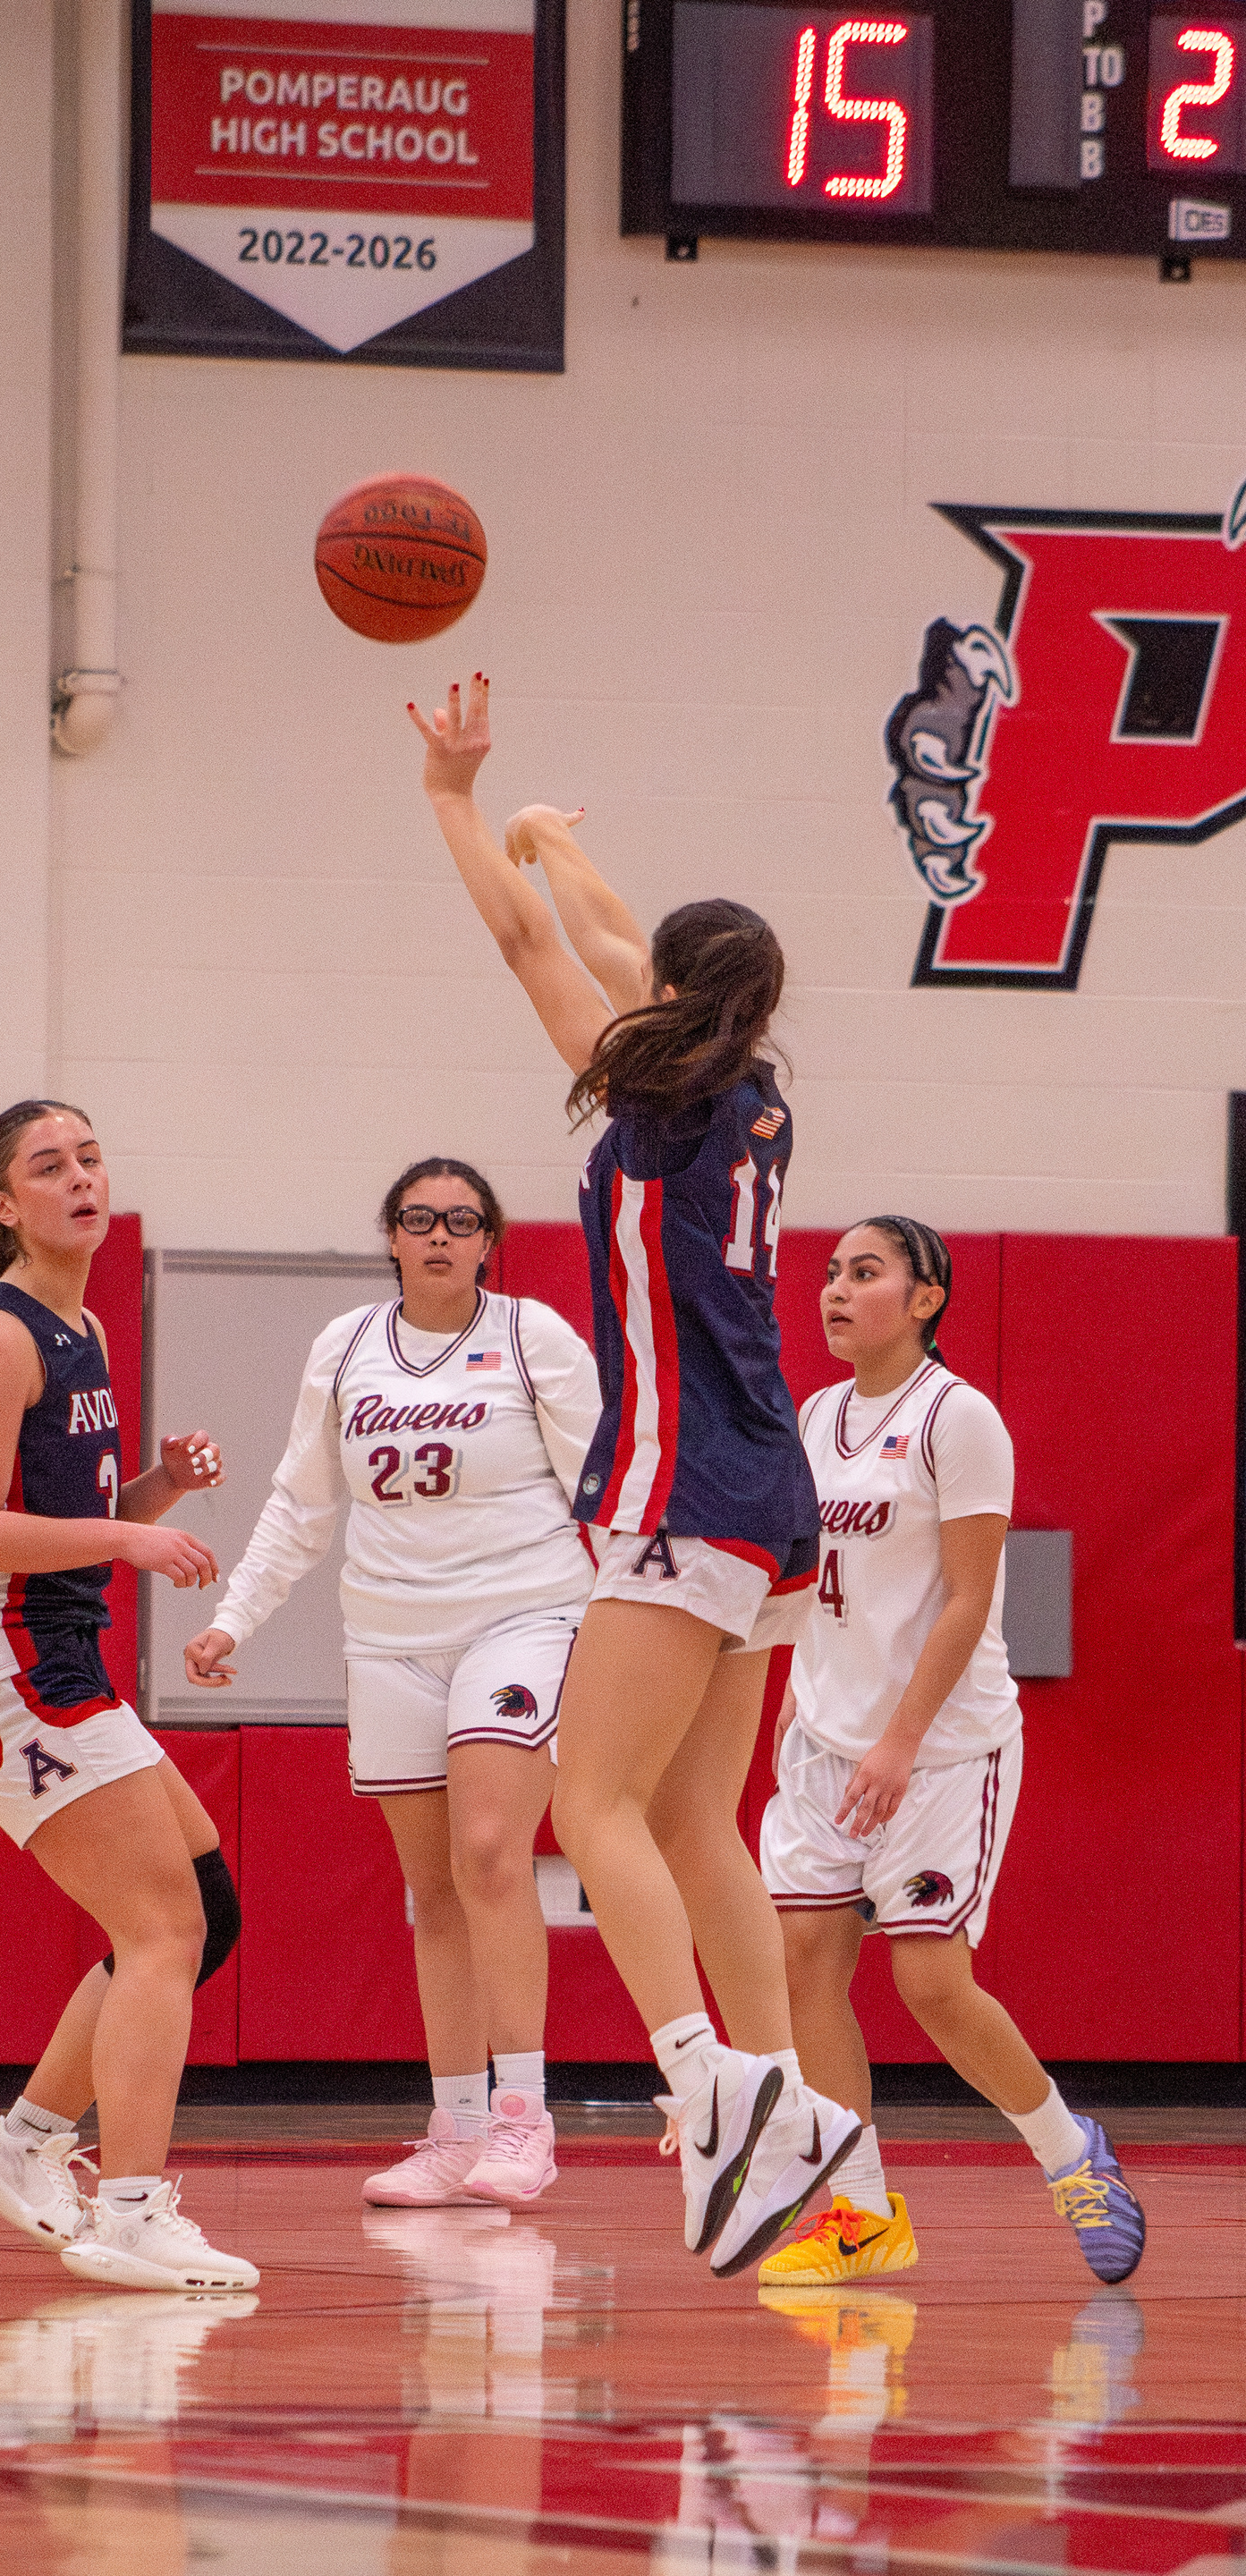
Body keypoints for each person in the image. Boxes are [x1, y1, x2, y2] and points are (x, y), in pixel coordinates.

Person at [409, 675, 860, 2280]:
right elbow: (614, 944)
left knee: (587, 1806)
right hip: (773, 1493)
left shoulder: (657, 1096)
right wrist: (550, 831)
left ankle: (705, 2086)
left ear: (677, 995)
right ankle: (791, 2102)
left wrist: (460, 803)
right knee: (691, 1819)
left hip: (686, 1486)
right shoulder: (749, 1090)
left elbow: (540, 946)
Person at [186, 1157, 602, 2208]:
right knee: (434, 1888)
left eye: (461, 1220)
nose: (439, 1236)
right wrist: (234, 1616)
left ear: (489, 1240)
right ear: (391, 1235)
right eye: (420, 1218)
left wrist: (640, 1626)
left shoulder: (535, 1338)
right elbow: (301, 1503)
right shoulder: (346, 1347)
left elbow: (606, 1488)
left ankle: (525, 2119)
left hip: (523, 1618)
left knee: (492, 1851)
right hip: (389, 1636)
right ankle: (456, 2130)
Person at [756, 1217, 1146, 2287]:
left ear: (926, 1298)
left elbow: (972, 1598)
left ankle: (1070, 2153)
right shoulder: (816, 1415)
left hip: (941, 1749)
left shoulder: (958, 1417)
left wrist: (900, 1740)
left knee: (930, 1979)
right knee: (802, 1964)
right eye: (831, 1274)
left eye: (865, 1273)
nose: (836, 1291)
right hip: (824, 1742)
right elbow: (809, 1584)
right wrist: (792, 1702)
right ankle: (860, 2213)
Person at [0, 1098, 257, 2294]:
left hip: (66, 1655)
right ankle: (128, 2212)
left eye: (91, 1158)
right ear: (4, 1204)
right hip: (4, 1665)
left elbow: (72, 1517)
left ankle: (22, 2145)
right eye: (49, 1166)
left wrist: (156, 1489)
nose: (80, 1179)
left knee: (203, 1910)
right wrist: (128, 1538)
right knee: (164, 1928)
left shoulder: (87, 1328)